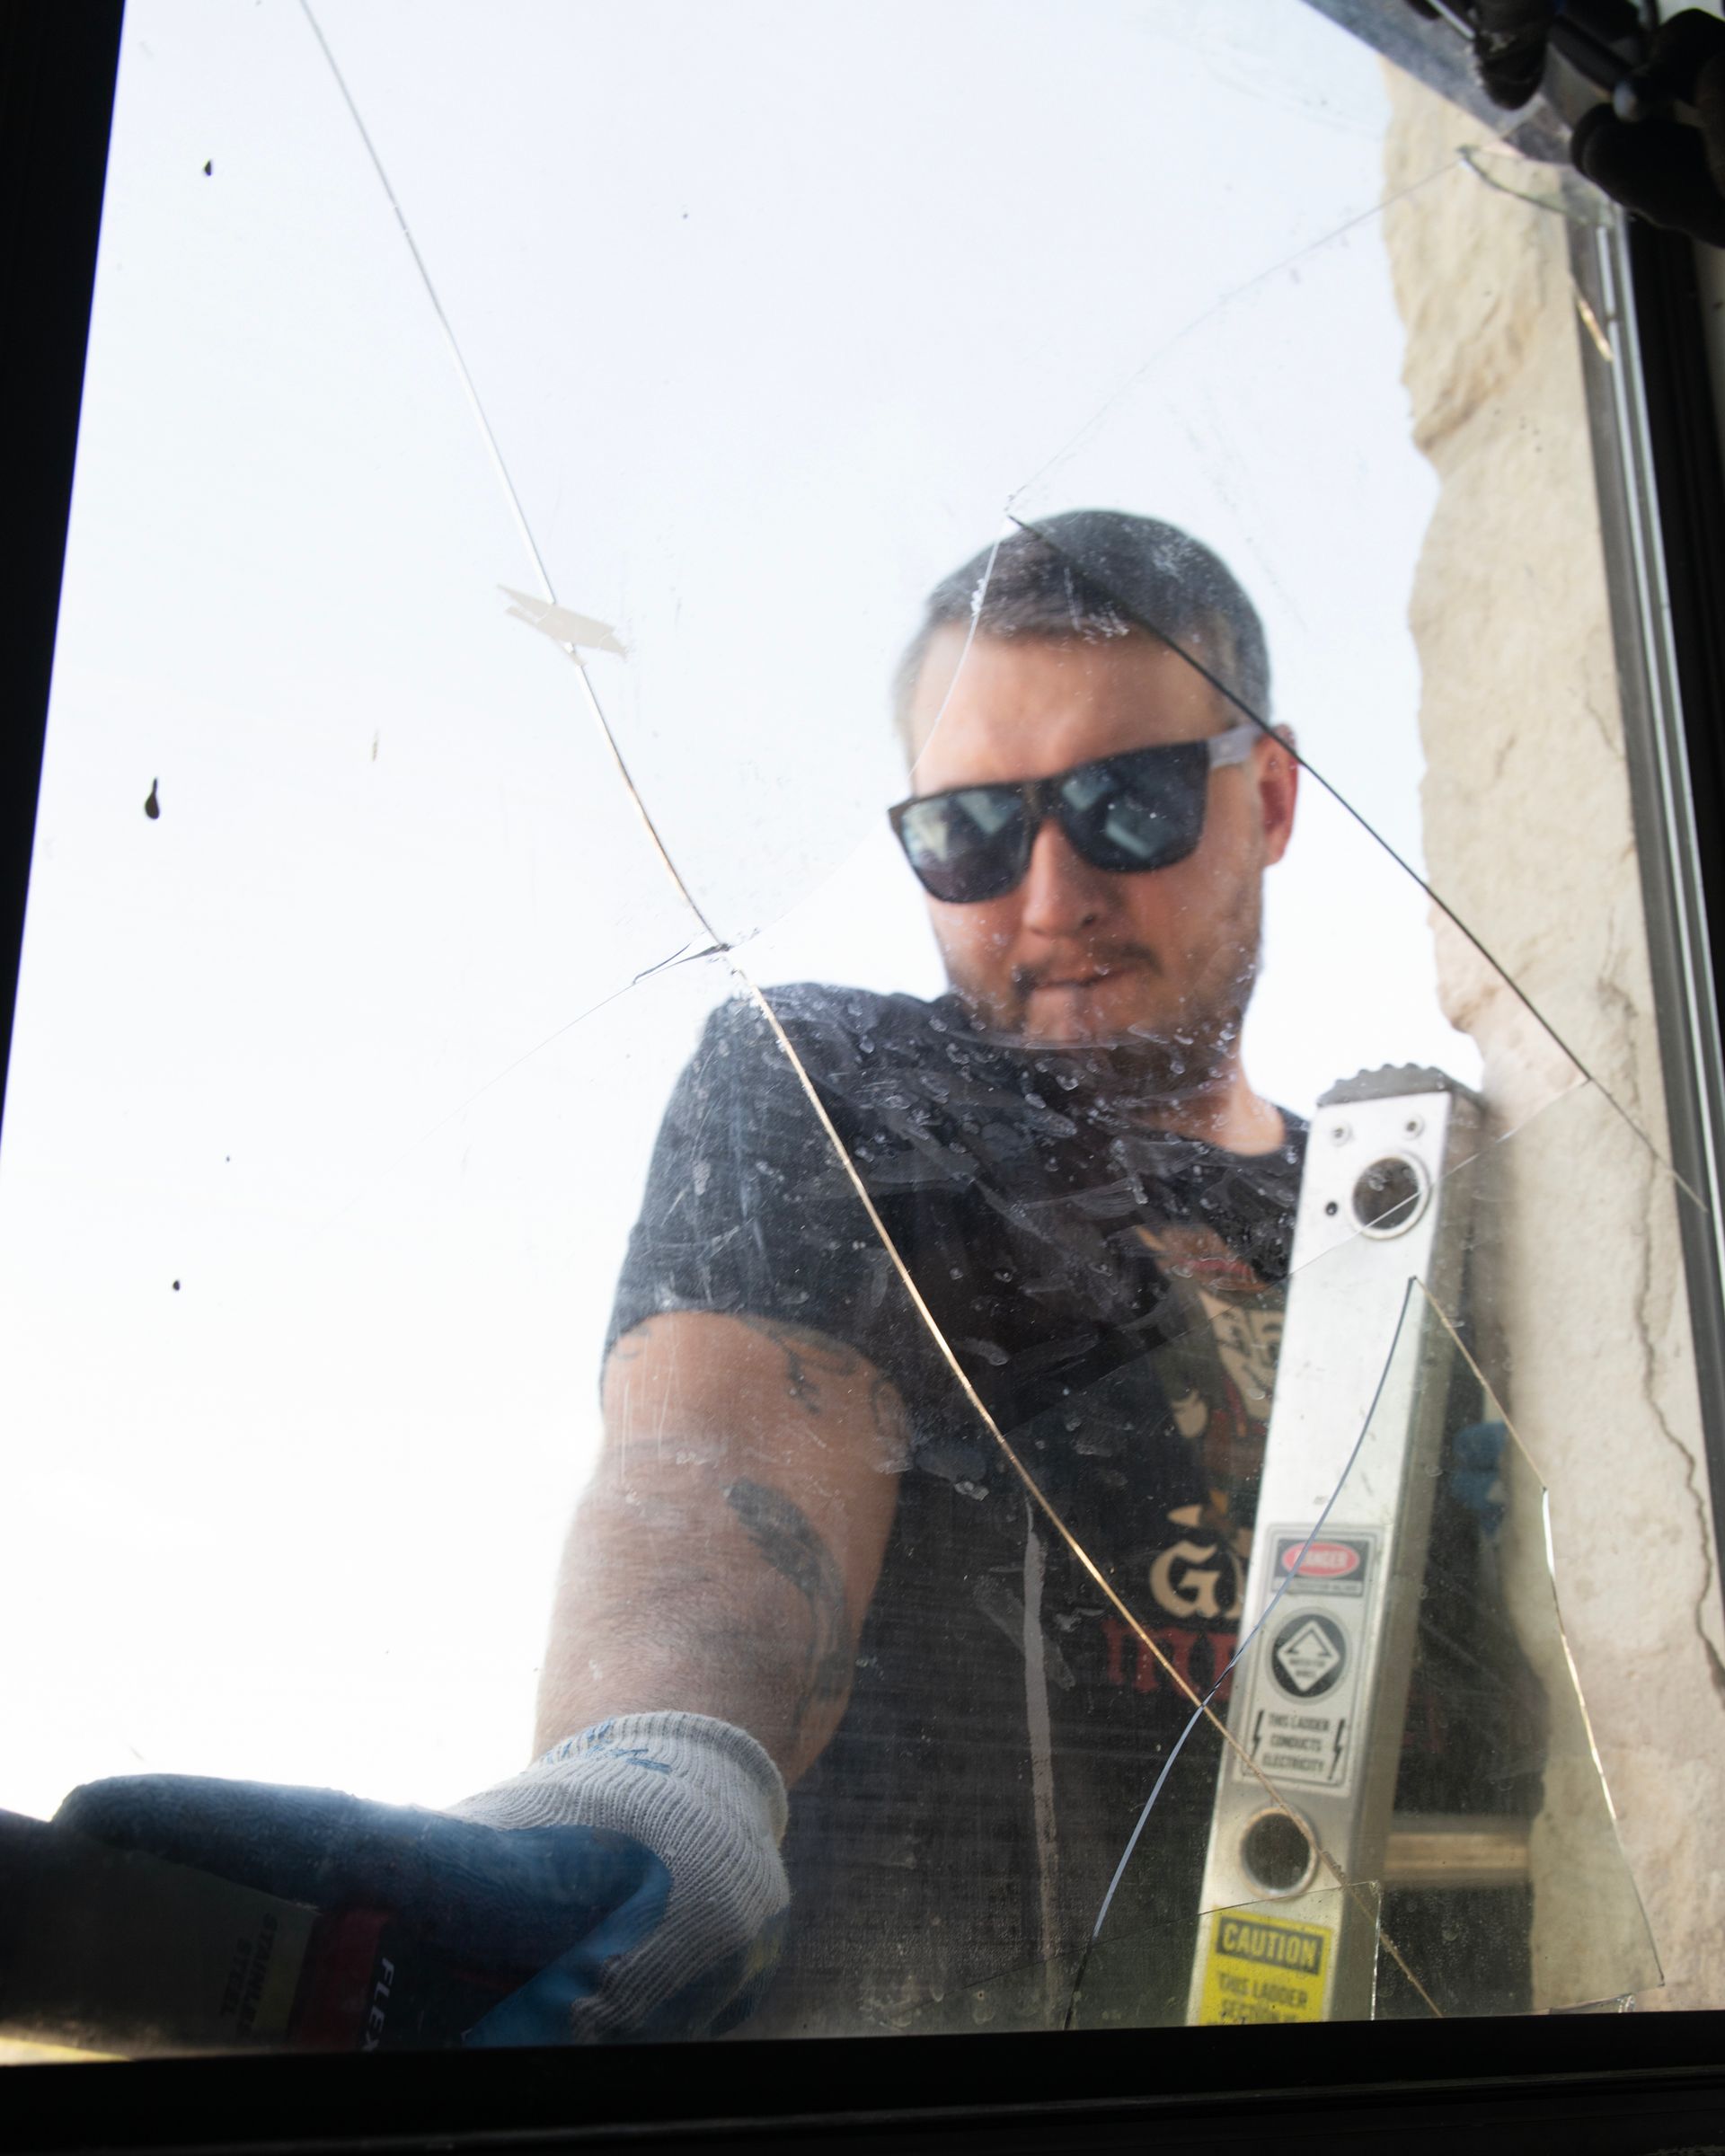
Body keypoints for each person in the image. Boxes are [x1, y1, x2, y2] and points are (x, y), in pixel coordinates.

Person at [34, 512, 1526, 2047]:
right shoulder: (843, 1085)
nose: (1048, 895)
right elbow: (714, 1467)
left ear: (1266, 795)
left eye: (1124, 802)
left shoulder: (1423, 1200)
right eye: (969, 830)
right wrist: (660, 1794)